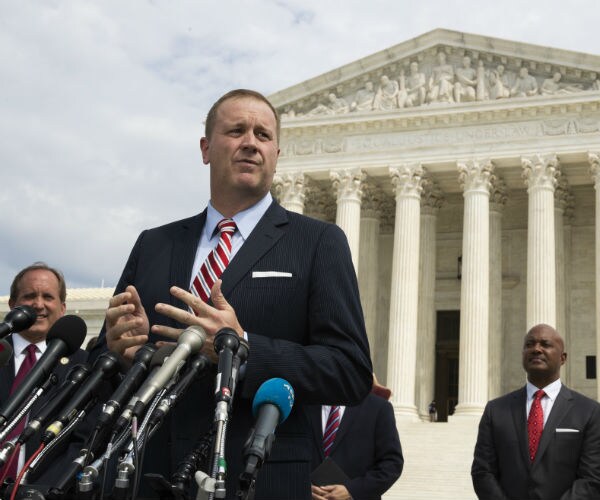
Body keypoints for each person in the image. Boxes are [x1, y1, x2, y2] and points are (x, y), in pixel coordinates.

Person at [91, 89, 373, 499]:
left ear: (277, 153)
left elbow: (349, 371)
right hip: (148, 473)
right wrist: (116, 353)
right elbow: (103, 362)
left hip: (258, 479)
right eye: (236, 130)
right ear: (206, 148)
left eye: (262, 134)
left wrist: (241, 346)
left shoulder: (318, 242)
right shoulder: (155, 244)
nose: (250, 143)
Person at [471, 324, 600, 500]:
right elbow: (482, 472)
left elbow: (591, 478)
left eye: (545, 344)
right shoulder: (496, 410)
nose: (536, 349)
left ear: (563, 358)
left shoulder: (589, 412)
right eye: (529, 344)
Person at [0, 263, 88, 484]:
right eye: (29, 296)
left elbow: (82, 440)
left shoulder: (84, 366)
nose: (38, 305)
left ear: (62, 308)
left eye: (48, 297)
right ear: (12, 305)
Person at [309, 375, 403, 500]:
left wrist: (351, 490)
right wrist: (302, 487)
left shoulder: (379, 408)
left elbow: (392, 463)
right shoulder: (304, 406)